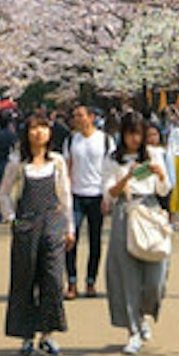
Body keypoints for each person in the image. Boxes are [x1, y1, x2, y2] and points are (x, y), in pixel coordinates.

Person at [1, 114, 73, 356]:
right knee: (25, 280)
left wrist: (69, 227)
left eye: (43, 127)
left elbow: (65, 196)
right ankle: (26, 336)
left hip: (53, 223)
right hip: (26, 226)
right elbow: (3, 194)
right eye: (33, 128)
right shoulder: (18, 164)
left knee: (52, 280)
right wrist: (12, 219)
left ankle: (48, 335)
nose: (38, 132)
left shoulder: (58, 163)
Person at [106, 124, 175, 351]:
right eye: (130, 133)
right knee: (128, 275)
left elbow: (164, 189)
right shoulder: (114, 159)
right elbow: (109, 193)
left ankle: (145, 313)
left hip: (151, 211)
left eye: (138, 133)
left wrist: (160, 174)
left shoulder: (155, 154)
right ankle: (133, 330)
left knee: (156, 277)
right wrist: (127, 177)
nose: (134, 138)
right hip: (125, 211)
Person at [63, 104, 115, 293]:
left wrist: (107, 196)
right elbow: (67, 168)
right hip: (76, 195)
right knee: (70, 238)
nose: (77, 119)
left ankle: (91, 280)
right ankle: (72, 281)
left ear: (91, 117)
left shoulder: (105, 141)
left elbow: (110, 170)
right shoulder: (71, 140)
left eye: (80, 115)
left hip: (97, 195)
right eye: (75, 115)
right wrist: (65, 195)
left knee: (95, 240)